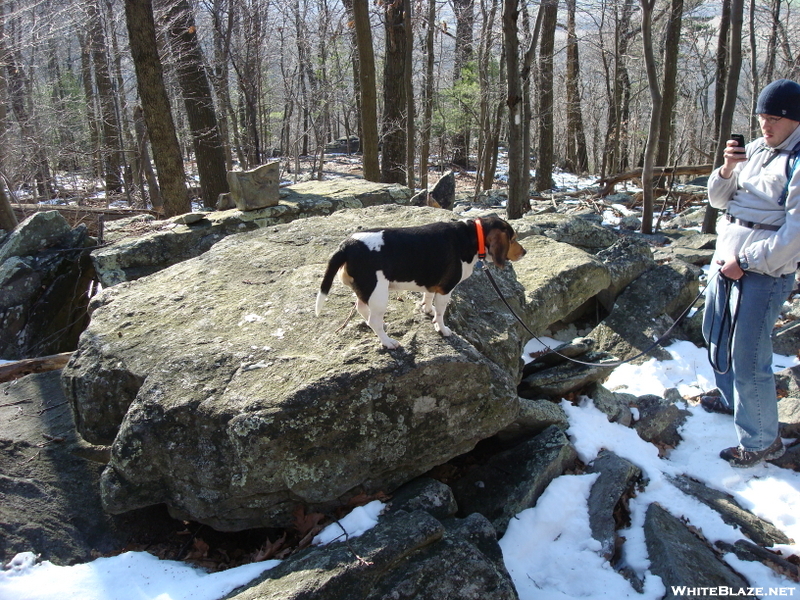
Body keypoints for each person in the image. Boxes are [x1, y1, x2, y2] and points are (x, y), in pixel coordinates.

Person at [702, 78, 800, 468]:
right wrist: (727, 168)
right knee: (715, 335)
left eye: (775, 118)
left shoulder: (797, 160)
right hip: (727, 258)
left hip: (764, 271)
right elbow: (717, 199)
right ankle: (736, 403)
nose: (766, 125)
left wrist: (747, 261)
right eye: (762, 116)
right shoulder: (757, 150)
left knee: (748, 354)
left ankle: (762, 440)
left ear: (794, 119)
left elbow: (794, 235)